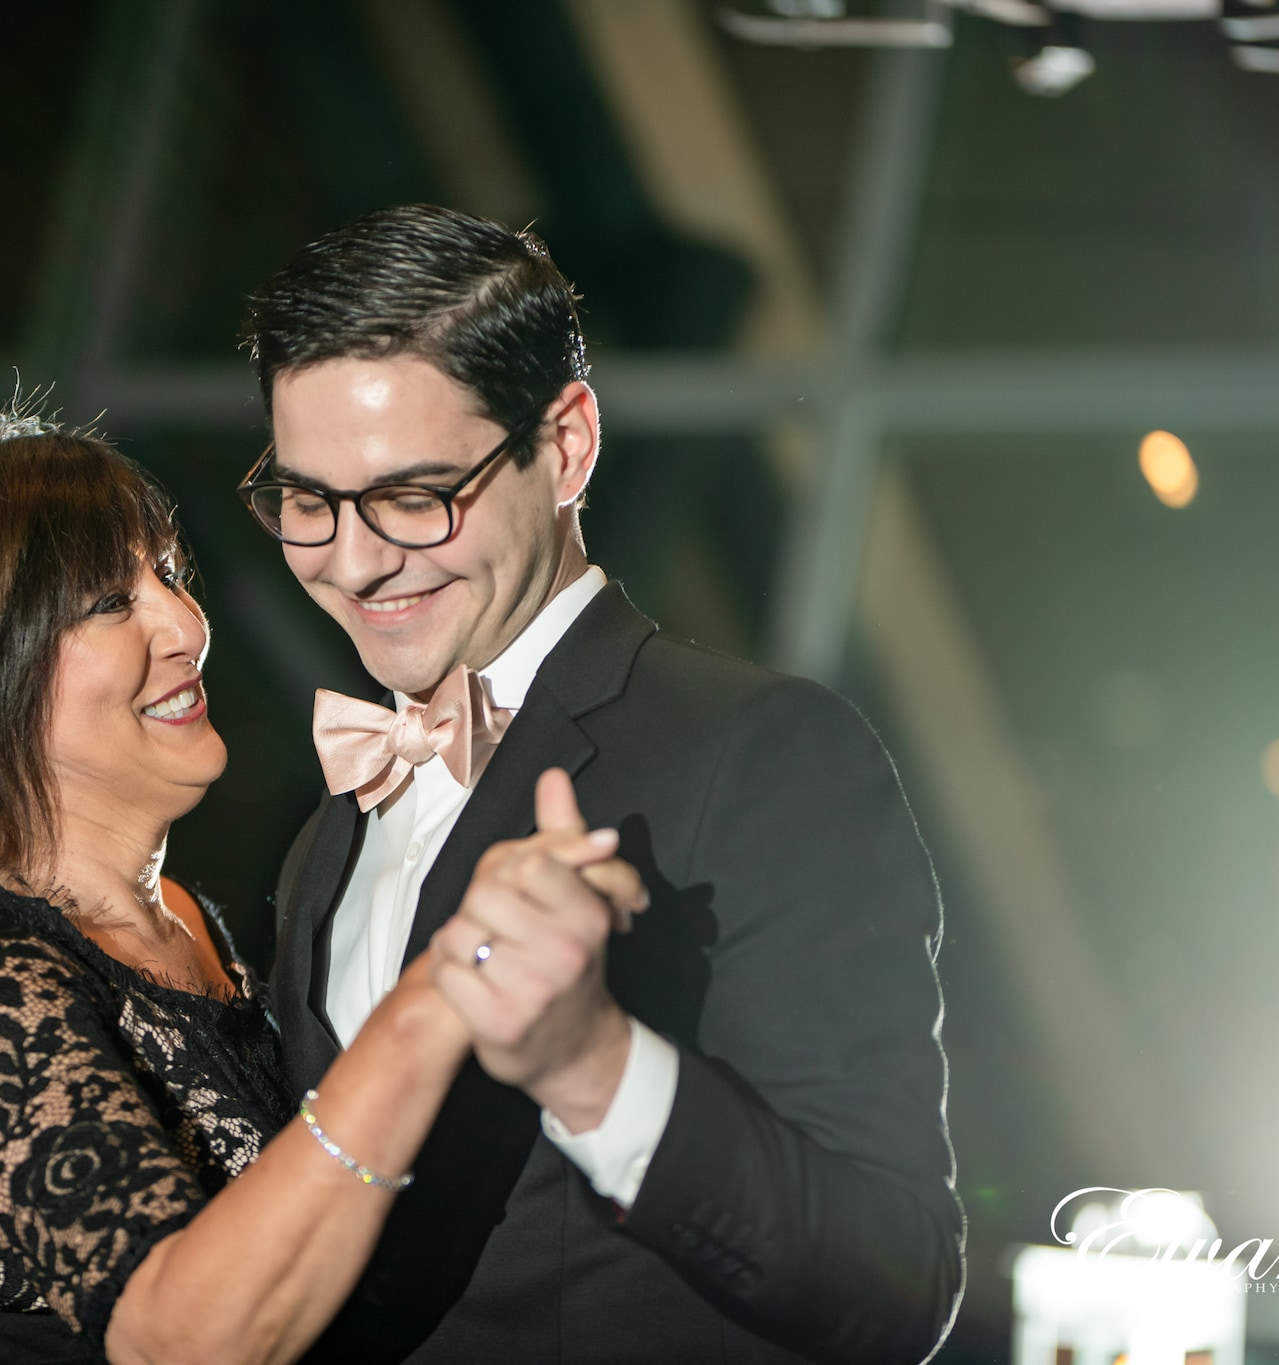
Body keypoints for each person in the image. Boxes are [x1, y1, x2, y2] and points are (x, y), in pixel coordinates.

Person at [0, 404, 645, 1365]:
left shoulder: (182, 922)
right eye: (107, 602)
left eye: (168, 576)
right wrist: (435, 999)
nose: (185, 626)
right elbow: (177, 1340)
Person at [239, 204, 966, 1364]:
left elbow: (896, 1284)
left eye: (414, 495)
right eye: (308, 502)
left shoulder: (763, 752)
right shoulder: (326, 829)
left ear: (565, 445)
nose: (355, 560)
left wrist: (591, 1067)